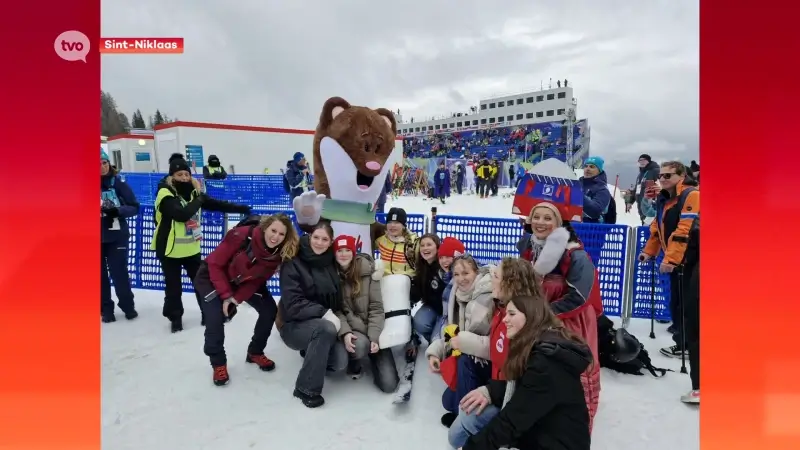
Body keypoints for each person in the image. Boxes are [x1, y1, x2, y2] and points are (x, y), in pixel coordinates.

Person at [462, 294, 592, 450]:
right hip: (541, 433)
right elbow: (526, 389)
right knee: (462, 427)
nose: (505, 319)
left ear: (531, 317)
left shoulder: (547, 363)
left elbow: (513, 419)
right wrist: (490, 390)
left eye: (511, 314)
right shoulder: (540, 345)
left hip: (555, 443)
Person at [518, 202, 602, 430]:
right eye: (536, 216)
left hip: (570, 323)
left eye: (548, 218)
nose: (540, 222)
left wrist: (542, 315)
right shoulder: (528, 246)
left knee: (569, 375)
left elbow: (578, 297)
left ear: (559, 223)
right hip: (537, 321)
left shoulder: (576, 255)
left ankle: (572, 431)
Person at [192, 213, 299, 386]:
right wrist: (226, 295)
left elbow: (257, 280)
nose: (276, 237)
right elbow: (215, 264)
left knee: (269, 309)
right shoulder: (241, 235)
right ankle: (218, 363)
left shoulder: (278, 253)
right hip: (212, 277)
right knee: (215, 318)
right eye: (273, 230)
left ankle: (255, 351)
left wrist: (236, 299)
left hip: (245, 281)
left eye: (281, 234)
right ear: (265, 228)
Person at [449, 257, 543, 449]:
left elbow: (523, 382)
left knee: (457, 434)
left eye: (496, 275)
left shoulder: (522, 322)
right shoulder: (501, 310)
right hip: (498, 386)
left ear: (511, 283)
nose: (490, 277)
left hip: (511, 399)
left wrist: (492, 392)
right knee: (454, 416)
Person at [151, 157, 251, 333]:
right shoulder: (165, 193)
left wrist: (240, 208)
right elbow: (180, 214)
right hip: (169, 249)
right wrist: (200, 200)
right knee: (173, 287)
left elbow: (216, 204)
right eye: (179, 174)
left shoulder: (194, 193)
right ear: (171, 176)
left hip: (190, 248)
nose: (183, 178)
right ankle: (175, 318)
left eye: (186, 174)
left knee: (202, 284)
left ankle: (208, 313)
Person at [277, 222, 348, 408]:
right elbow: (292, 304)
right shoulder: (293, 260)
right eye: (316, 237)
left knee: (340, 362)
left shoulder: (330, 260)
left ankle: (312, 350)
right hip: (293, 324)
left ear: (331, 242)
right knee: (324, 330)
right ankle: (306, 388)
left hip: (322, 322)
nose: (319, 242)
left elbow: (352, 261)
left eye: (325, 239)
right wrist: (323, 312)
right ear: (309, 237)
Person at [638, 161, 700, 360]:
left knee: (688, 305)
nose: (663, 179)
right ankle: (683, 342)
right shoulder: (666, 199)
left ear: (681, 176)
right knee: (677, 303)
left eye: (668, 175)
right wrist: (649, 252)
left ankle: (690, 345)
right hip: (678, 261)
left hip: (693, 259)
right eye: (661, 175)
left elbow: (685, 230)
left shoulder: (692, 195)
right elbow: (656, 228)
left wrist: (671, 260)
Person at [426, 254, 494, 428]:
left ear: (476, 272)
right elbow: (453, 333)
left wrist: (463, 342)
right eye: (456, 274)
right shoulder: (456, 295)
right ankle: (464, 406)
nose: (461, 279)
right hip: (468, 356)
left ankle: (464, 421)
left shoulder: (487, 296)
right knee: (447, 402)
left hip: (490, 364)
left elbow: (492, 346)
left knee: (464, 360)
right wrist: (436, 352)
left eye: (466, 273)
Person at [332, 235, 400, 392]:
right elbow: (335, 310)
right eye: (339, 250)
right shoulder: (332, 276)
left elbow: (376, 307)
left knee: (389, 385)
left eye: (347, 250)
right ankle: (354, 360)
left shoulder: (369, 272)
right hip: (354, 330)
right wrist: (345, 332)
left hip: (372, 327)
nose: (343, 254)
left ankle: (373, 355)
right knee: (359, 345)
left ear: (354, 252)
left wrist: (375, 337)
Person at [101, 149, 140, 323]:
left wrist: (117, 210)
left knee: (119, 273)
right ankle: (105, 309)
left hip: (117, 236)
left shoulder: (117, 183)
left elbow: (134, 206)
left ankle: (127, 306)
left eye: (104, 162)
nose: (102, 167)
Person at [411, 236, 465, 344]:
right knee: (420, 322)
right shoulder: (422, 266)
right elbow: (417, 291)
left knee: (441, 337)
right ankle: (434, 340)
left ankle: (437, 341)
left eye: (429, 244)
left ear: (437, 247)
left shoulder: (446, 270)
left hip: (451, 312)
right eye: (422, 245)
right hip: (436, 308)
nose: (425, 248)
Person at [375, 207, 419, 277]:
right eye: (389, 222)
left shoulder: (415, 242)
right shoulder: (382, 240)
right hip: (385, 280)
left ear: (404, 226)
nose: (392, 225)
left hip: (405, 281)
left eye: (397, 222)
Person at [579, 156, 611, 223]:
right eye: (586, 166)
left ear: (599, 170)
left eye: (592, 167)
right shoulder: (577, 184)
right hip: (574, 227)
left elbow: (595, 211)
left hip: (592, 230)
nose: (587, 169)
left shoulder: (602, 189)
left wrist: (577, 195)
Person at [635, 154, 660, 225]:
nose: (641, 162)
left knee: (652, 224)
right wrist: (630, 201)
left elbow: (662, 183)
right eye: (640, 160)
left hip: (651, 204)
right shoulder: (640, 174)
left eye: (644, 160)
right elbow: (637, 188)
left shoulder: (655, 171)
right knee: (644, 222)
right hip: (641, 202)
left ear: (648, 161)